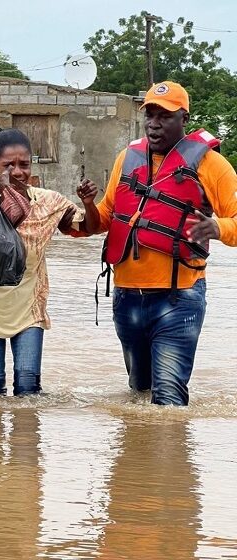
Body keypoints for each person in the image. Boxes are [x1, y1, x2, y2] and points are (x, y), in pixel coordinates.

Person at [88, 80, 237, 406]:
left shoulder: (212, 166)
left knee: (168, 400)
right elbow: (103, 217)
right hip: (127, 299)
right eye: (150, 115)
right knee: (139, 394)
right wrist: (80, 212)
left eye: (164, 116)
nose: (154, 123)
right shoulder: (127, 159)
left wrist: (217, 227)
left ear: (184, 118)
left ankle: (171, 455)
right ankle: (140, 457)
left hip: (179, 299)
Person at [0, 128, 100, 396]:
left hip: (29, 313)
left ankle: (26, 438)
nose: (18, 172)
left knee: (28, 390)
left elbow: (86, 228)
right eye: (8, 165)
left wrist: (89, 203)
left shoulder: (48, 202)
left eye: (24, 164)